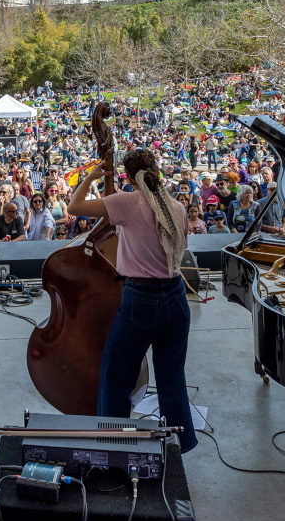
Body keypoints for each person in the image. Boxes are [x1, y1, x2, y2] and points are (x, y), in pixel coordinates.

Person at [66, 148, 196, 453]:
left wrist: (90, 178)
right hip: (176, 298)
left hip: (141, 300)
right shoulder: (176, 207)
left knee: (116, 376)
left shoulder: (126, 201)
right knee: (172, 379)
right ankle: (179, 445)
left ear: (128, 176)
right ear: (156, 171)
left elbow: (74, 208)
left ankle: (113, 445)